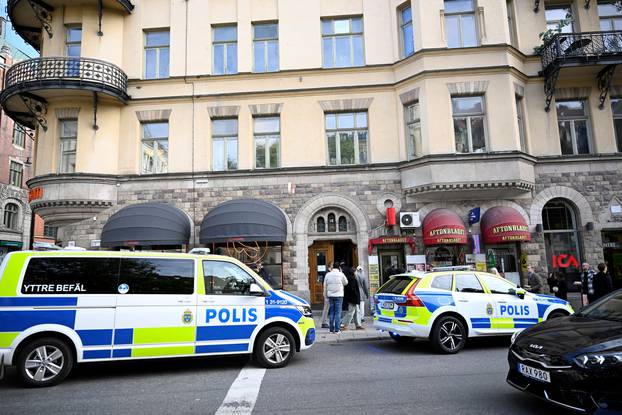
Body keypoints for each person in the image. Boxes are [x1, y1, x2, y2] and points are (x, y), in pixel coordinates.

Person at [324, 261, 348, 333]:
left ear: (332, 267)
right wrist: (341, 272)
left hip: (330, 295)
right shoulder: (341, 274)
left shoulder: (328, 274)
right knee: (338, 313)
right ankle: (337, 329)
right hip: (339, 295)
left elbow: (325, 285)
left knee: (332, 312)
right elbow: (346, 282)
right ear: (339, 267)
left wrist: (325, 295)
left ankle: (331, 329)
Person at [341, 263, 362, 330]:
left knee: (356, 311)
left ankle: (358, 325)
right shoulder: (352, 279)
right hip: (353, 298)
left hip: (352, 298)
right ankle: (343, 324)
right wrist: (356, 297)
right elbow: (353, 289)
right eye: (355, 271)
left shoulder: (349, 278)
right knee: (351, 312)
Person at [320, 264, 332, 328]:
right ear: (330, 266)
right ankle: (323, 322)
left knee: (328, 308)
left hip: (329, 292)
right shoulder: (327, 273)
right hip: (327, 293)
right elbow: (324, 284)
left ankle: (325, 321)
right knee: (326, 308)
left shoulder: (329, 273)